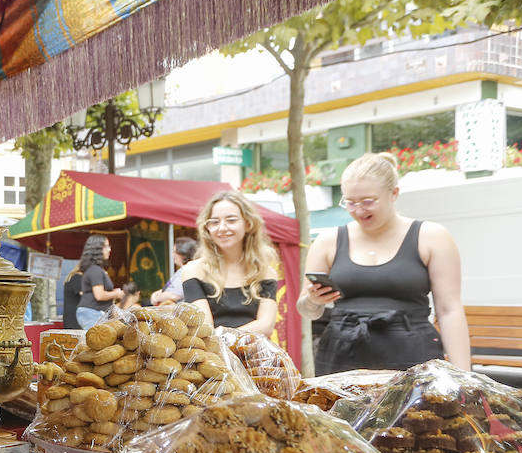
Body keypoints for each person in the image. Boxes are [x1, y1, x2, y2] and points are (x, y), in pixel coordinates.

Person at [297, 152, 470, 375]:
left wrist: (464, 376)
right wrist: (313, 300)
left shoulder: (432, 236)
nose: (359, 211)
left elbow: (449, 310)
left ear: (394, 193)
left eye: (368, 202)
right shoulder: (327, 241)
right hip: (341, 354)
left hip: (411, 353)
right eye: (350, 202)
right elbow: (306, 310)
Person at [181, 190, 279, 335]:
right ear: (207, 228)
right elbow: (205, 330)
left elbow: (266, 326)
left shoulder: (265, 272)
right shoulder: (194, 270)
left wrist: (223, 335)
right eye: (214, 222)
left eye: (231, 220)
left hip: (256, 355)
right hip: (213, 356)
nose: (222, 228)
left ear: (248, 224)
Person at [72, 234, 122, 329]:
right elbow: (99, 295)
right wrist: (116, 293)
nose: (109, 249)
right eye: (106, 246)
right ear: (97, 249)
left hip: (93, 312)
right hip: (92, 312)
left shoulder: (96, 269)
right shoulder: (95, 270)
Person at [150, 236, 198, 306]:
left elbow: (175, 295)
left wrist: (157, 298)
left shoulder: (188, 270)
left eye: (175, 252)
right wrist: (157, 293)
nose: (173, 255)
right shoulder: (182, 270)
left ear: (183, 254)